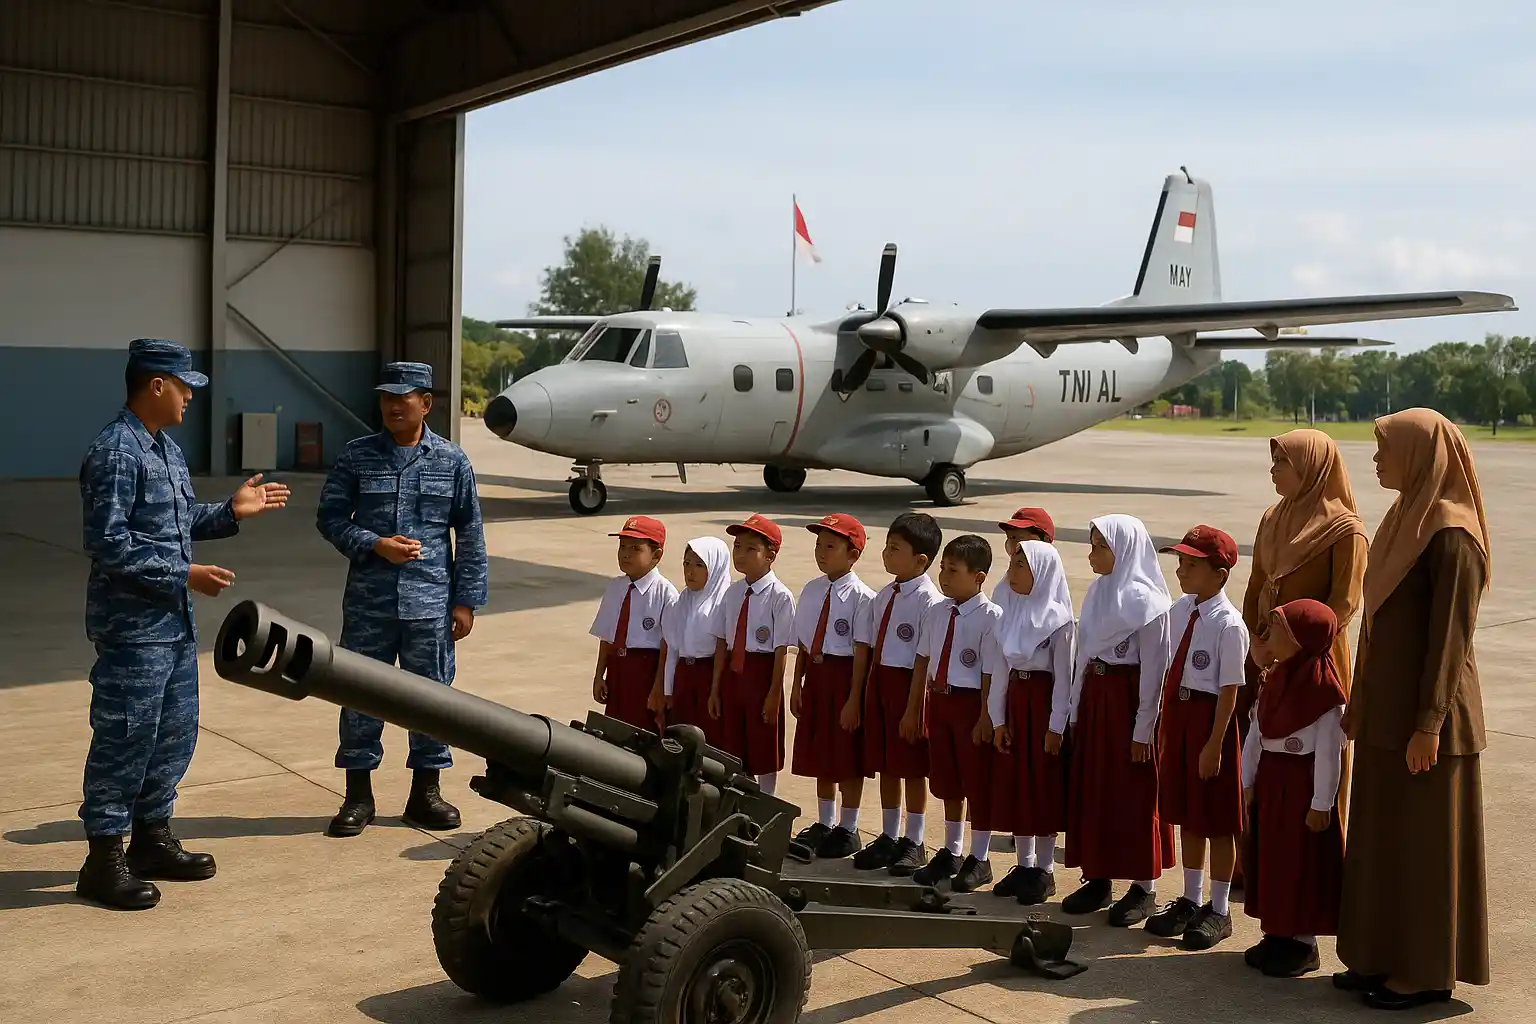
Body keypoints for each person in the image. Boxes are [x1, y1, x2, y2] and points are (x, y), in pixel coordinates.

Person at [76, 338, 290, 910]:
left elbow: (174, 521)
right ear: (155, 386)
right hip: (131, 629)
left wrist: (229, 512)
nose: (191, 395)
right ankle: (103, 859)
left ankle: (151, 838)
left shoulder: (164, 450)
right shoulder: (117, 451)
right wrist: (183, 573)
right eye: (184, 385)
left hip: (170, 626)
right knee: (125, 737)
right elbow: (108, 542)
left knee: (172, 734)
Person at [1335, 408, 1491, 1010]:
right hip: (1386, 716)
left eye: (1384, 449)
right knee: (1382, 844)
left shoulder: (1451, 534)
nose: (1375, 459)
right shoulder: (1404, 519)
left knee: (1424, 849)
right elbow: (1377, 628)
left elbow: (1449, 641)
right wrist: (1362, 703)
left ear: (1419, 456)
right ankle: (1379, 955)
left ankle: (1425, 973)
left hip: (1429, 724)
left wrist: (1428, 722)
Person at [316, 361, 488, 838]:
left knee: (430, 698)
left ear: (425, 404)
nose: (393, 405)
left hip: (430, 604)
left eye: (404, 397)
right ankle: (357, 796)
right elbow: (329, 517)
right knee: (359, 694)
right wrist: (373, 543)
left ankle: (425, 794)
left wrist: (465, 601)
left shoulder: (452, 461)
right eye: (387, 397)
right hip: (370, 603)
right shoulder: (358, 456)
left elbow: (470, 532)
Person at [1240, 430, 1366, 814]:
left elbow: (1343, 603)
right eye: (1274, 460)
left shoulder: (1346, 530)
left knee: (1317, 765)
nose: (1273, 470)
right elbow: (1255, 586)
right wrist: (1257, 642)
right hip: (1266, 656)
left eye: (1282, 462)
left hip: (1316, 662)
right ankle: (1255, 869)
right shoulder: (1272, 518)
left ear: (1311, 468)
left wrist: (1292, 649)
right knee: (1259, 762)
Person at [1062, 514, 1176, 926]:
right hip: (1097, 699)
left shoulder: (1148, 604)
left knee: (1133, 792)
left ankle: (1144, 887)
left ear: (1124, 550)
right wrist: (1076, 708)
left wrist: (1144, 725)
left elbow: (1155, 670)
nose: (1091, 554)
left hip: (1128, 703)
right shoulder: (1097, 592)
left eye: (1099, 546)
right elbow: (1086, 656)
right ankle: (1098, 875)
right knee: (1095, 787)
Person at [1146, 526, 1249, 949]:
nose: (1181, 570)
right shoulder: (1181, 609)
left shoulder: (1229, 625)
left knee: (1217, 822)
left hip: (1212, 724)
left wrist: (1213, 744)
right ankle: (1191, 897)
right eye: (1180, 562)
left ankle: (1220, 909)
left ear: (1220, 574)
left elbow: (1229, 692)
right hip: (1182, 716)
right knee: (1188, 814)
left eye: (1191, 564)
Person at [1241, 599, 1347, 979]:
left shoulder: (1324, 695)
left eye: (1282, 632)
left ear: (1304, 640)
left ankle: (1303, 943)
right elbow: (1256, 733)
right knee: (1272, 860)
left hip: (1301, 788)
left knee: (1300, 865)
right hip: (1271, 784)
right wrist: (1247, 780)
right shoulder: (1272, 679)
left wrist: (1322, 802)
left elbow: (1329, 755)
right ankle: (1275, 932)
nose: (1272, 639)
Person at [904, 535, 1003, 892]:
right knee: (947, 781)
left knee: (976, 782)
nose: (944, 577)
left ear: (978, 577)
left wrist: (986, 717)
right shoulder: (937, 610)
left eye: (954, 570)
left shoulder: (991, 617)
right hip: (941, 703)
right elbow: (922, 660)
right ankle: (953, 849)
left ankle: (981, 856)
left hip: (970, 704)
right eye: (942, 569)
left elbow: (990, 673)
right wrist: (915, 708)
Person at [852, 512, 945, 876]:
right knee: (888, 763)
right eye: (887, 547)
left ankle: (915, 839)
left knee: (912, 768)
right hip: (882, 684)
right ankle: (889, 835)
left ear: (920, 560)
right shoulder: (883, 596)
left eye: (895, 549)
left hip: (910, 687)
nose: (887, 555)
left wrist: (913, 708)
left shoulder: (929, 601)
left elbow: (923, 658)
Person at [985, 541, 1074, 906]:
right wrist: (997, 718)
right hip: (1016, 705)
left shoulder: (1060, 621)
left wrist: (1056, 726)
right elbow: (1001, 668)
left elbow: (1065, 679)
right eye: (1012, 563)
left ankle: (1045, 870)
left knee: (1043, 785)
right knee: (1018, 783)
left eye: (1022, 565)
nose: (1012, 572)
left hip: (1042, 703)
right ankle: (1024, 865)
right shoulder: (1010, 612)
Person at [790, 514, 875, 859]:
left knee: (846, 756)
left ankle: (848, 826)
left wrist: (855, 699)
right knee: (820, 753)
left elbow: (861, 653)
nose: (821, 553)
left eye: (830, 546)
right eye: (818, 545)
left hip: (845, 678)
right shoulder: (812, 589)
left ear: (853, 554)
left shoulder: (861, 597)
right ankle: (825, 822)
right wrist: (796, 684)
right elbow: (804, 644)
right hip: (818, 676)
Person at [708, 514, 795, 794]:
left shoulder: (780, 596)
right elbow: (722, 641)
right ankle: (739, 796)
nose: (740, 555)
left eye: (750, 549)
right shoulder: (731, 594)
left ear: (770, 555)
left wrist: (773, 694)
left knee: (763, 744)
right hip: (734, 674)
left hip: (761, 674)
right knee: (734, 742)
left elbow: (781, 648)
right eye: (737, 547)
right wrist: (716, 688)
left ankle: (767, 799)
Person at [590, 516, 678, 729]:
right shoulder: (615, 587)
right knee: (613, 729)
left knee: (641, 732)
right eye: (622, 547)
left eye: (635, 549)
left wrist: (660, 687)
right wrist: (599, 674)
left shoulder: (666, 593)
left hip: (646, 671)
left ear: (656, 556)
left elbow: (668, 648)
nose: (625, 554)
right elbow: (607, 636)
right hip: (618, 669)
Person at [651, 537, 730, 737]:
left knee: (709, 735)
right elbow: (672, 650)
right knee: (680, 733)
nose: (690, 571)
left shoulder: (724, 602)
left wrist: (715, 689)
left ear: (715, 567)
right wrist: (668, 690)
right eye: (686, 564)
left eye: (699, 565)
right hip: (684, 677)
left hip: (708, 674)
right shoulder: (680, 602)